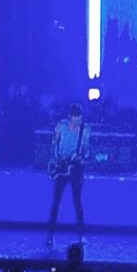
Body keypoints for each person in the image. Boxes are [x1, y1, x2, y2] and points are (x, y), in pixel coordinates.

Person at [46, 103, 91, 249]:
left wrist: (83, 158)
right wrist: (55, 161)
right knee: (56, 201)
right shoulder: (61, 127)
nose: (77, 122)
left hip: (76, 168)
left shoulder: (85, 130)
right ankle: (51, 235)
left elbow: (85, 150)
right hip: (61, 167)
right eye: (75, 119)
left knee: (77, 201)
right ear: (70, 117)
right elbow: (53, 145)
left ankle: (81, 234)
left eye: (80, 118)